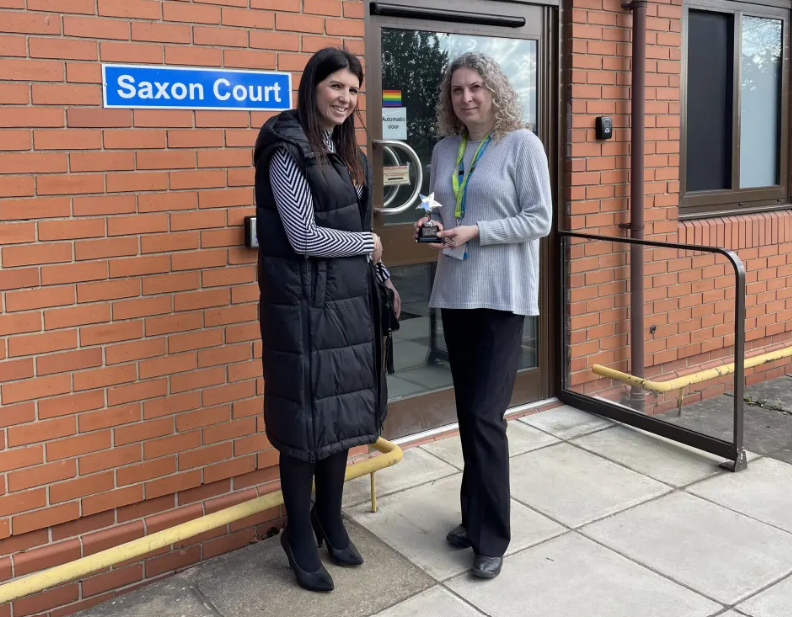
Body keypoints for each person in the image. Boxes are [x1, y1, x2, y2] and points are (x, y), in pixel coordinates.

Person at [253, 48, 399, 592]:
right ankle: (298, 532)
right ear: (312, 87)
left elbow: (353, 240)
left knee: (337, 416)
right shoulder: (287, 150)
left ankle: (330, 519)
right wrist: (367, 244)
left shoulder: (343, 151)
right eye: (336, 86)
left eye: (353, 90)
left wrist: (379, 280)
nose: (345, 98)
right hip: (303, 310)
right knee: (303, 426)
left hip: (346, 305)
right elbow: (301, 236)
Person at [415, 52, 552, 579]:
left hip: (501, 295)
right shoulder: (446, 148)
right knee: (468, 412)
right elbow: (443, 205)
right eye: (456, 90)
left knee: (487, 417)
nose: (466, 97)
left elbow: (539, 218)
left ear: (494, 91)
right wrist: (432, 226)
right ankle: (472, 518)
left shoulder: (521, 144)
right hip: (456, 291)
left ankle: (492, 535)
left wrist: (479, 231)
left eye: (476, 87)